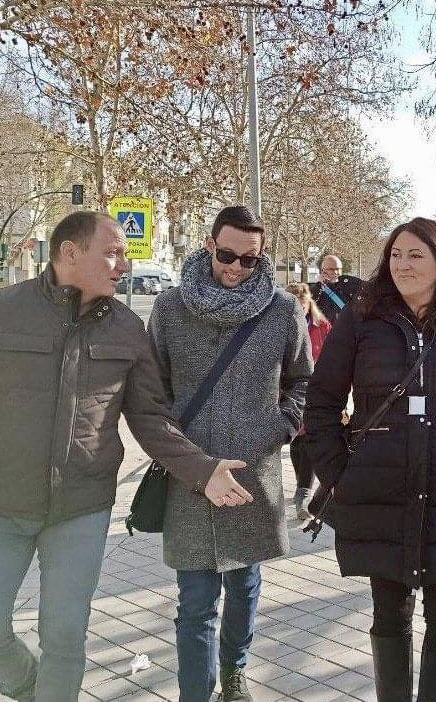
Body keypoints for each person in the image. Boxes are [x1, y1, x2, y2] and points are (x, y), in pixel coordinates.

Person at [0, 211, 251, 702]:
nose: (124, 265)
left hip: (81, 509)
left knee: (64, 639)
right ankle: (28, 684)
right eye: (112, 253)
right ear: (69, 252)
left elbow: (150, 418)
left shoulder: (127, 329)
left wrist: (202, 470)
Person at [305, 217, 436, 702]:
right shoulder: (362, 319)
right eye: (396, 255)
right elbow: (321, 400)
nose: (402, 265)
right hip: (382, 492)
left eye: (415, 255)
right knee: (390, 618)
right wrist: (339, 473)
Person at [148, 205, 313, 702]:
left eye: (249, 260)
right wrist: (182, 453)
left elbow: (303, 381)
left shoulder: (282, 310)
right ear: (209, 245)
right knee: (195, 602)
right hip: (190, 477)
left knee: (244, 584)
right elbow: (151, 393)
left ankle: (234, 670)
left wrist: (279, 428)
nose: (236, 268)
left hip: (252, 475)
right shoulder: (170, 308)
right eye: (227, 255)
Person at [285, 282, 332, 520]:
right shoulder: (279, 325)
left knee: (310, 440)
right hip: (289, 391)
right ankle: (300, 486)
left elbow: (334, 358)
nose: (299, 309)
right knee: (296, 439)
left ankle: (304, 494)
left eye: (302, 304)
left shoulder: (322, 326)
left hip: (316, 391)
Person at [310, 253, 362, 326]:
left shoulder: (350, 284)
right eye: (331, 269)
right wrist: (320, 286)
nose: (335, 272)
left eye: (338, 269)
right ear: (323, 270)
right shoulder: (316, 290)